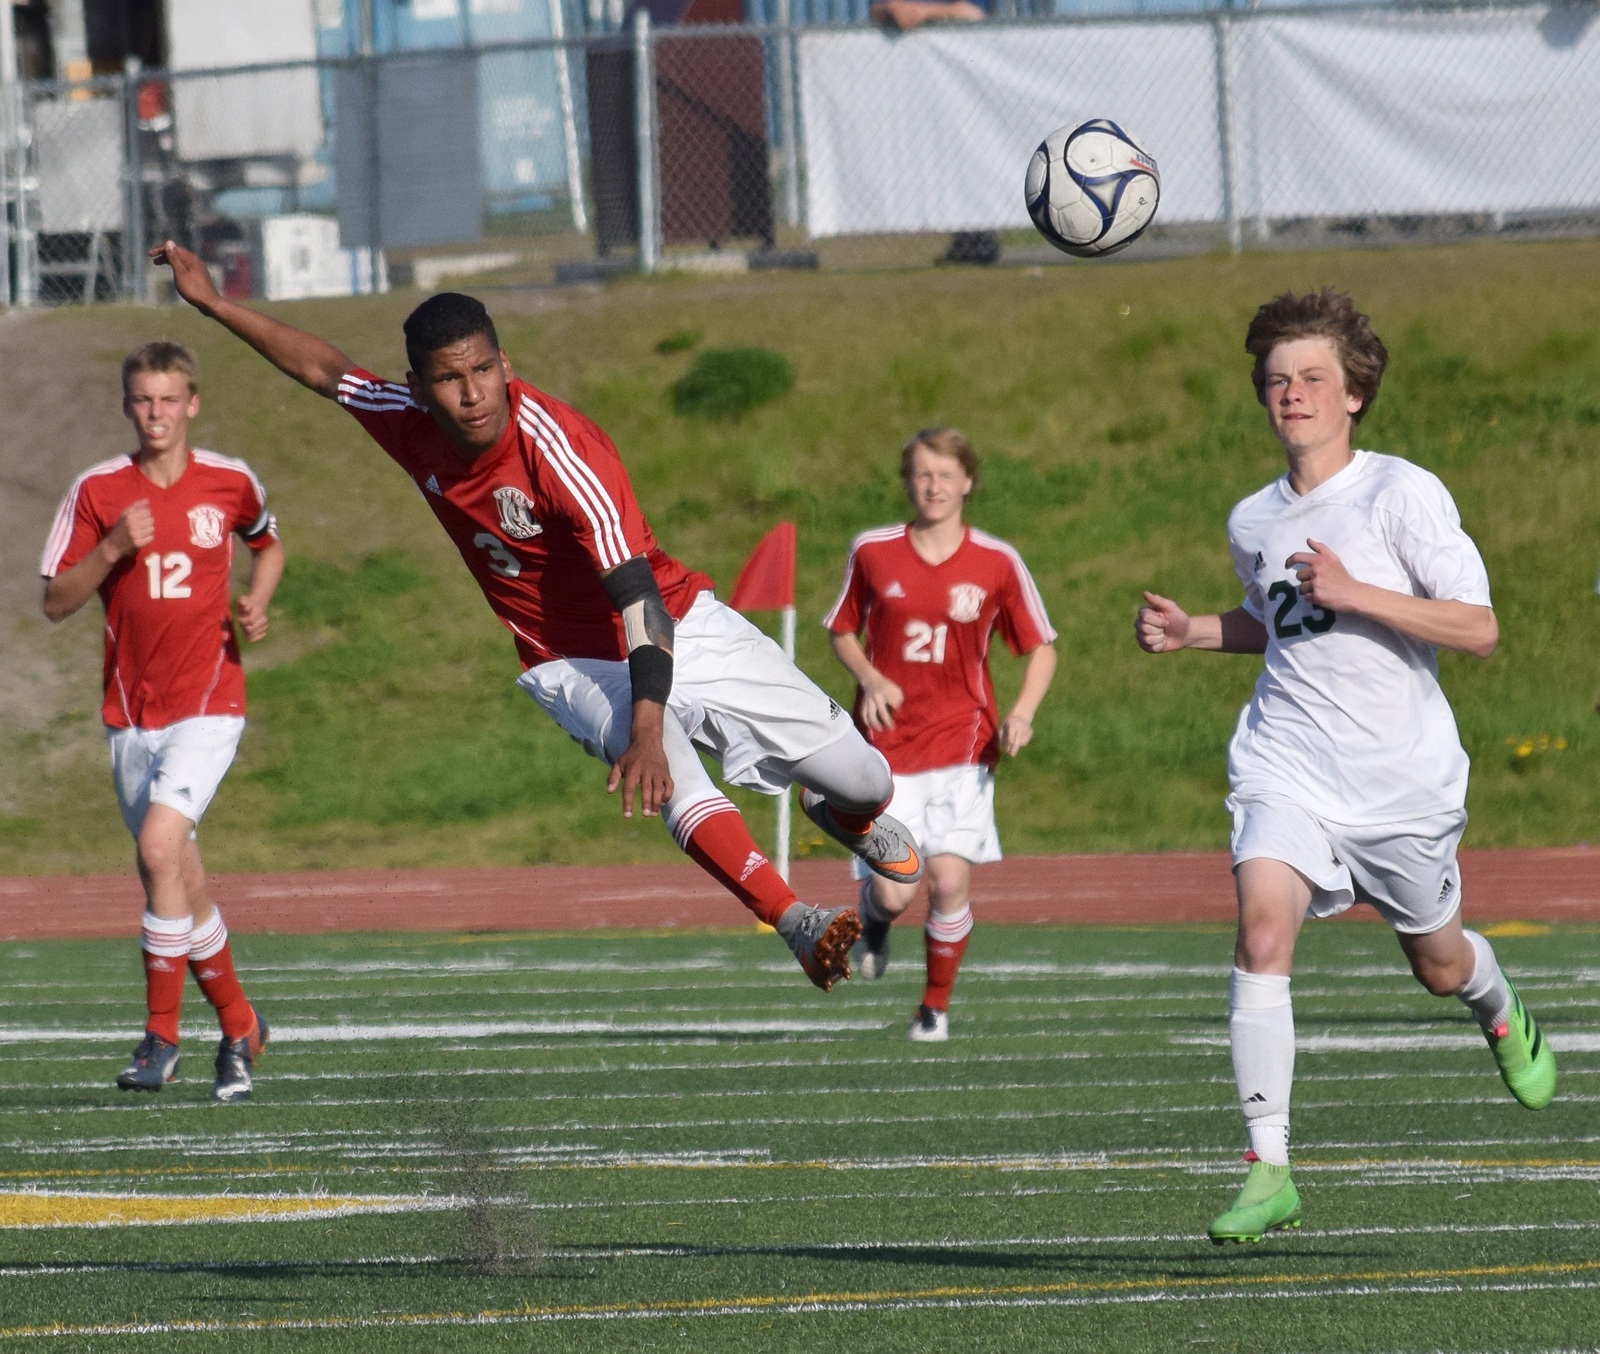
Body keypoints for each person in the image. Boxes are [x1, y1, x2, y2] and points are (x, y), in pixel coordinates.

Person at [151, 241, 923, 992]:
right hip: (567, 659)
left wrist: (651, 724)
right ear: (419, 387)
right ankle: (795, 921)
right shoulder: (407, 421)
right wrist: (216, 306)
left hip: (673, 620)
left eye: (484, 369)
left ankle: (846, 819)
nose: (472, 393)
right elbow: (324, 369)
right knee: (671, 780)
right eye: (450, 379)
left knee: (864, 776)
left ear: (505, 365)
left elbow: (639, 600)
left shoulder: (559, 449)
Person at [1136, 289, 1557, 1244]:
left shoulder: (1400, 491)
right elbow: (1286, 623)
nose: (1293, 394)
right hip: (1285, 762)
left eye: (1313, 377)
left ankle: (1498, 1003)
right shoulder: (1253, 519)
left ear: (1354, 391)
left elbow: (1479, 628)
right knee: (1260, 934)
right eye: (1277, 380)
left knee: (1438, 964)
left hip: (1401, 782)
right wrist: (1195, 631)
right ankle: (1268, 1166)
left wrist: (1361, 589)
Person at [40, 342, 283, 1101]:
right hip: (130, 715)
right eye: (143, 400)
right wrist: (113, 545)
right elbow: (54, 601)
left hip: (211, 700)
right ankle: (241, 1025)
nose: (156, 413)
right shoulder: (98, 490)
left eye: (169, 399)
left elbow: (267, 543)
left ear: (192, 403)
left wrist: (258, 598)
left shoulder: (230, 480)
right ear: (127, 406)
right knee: (180, 876)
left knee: (155, 848)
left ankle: (161, 1038)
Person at [825, 429, 1056, 1040]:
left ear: (968, 482)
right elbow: (842, 629)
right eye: (924, 475)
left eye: (946, 475)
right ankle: (875, 925)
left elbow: (1041, 648)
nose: (935, 486)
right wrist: (870, 680)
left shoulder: (997, 561)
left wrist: (1024, 713)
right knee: (897, 893)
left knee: (949, 880)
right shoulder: (873, 551)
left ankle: (934, 1009)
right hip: (885, 750)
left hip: (963, 743)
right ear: (908, 481)